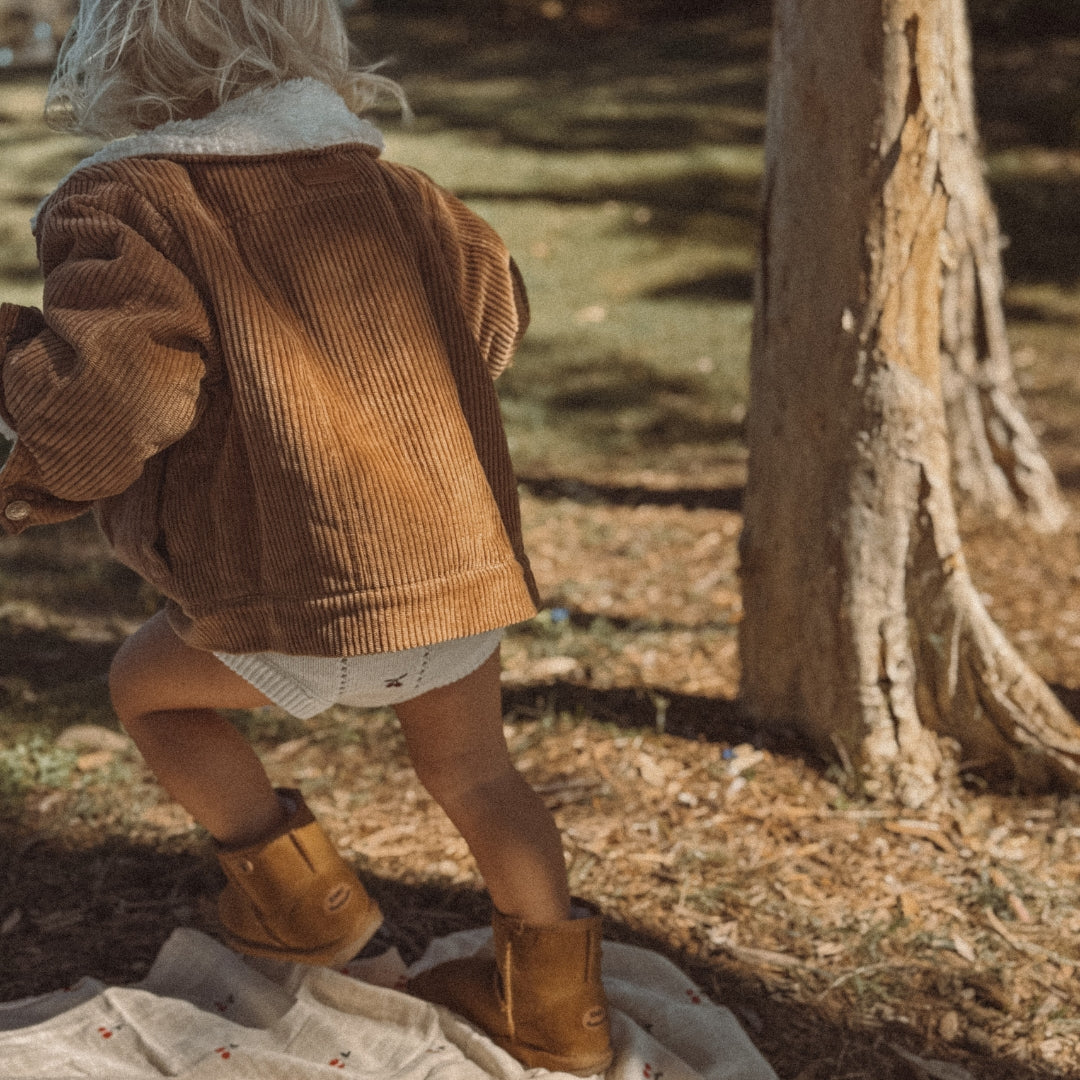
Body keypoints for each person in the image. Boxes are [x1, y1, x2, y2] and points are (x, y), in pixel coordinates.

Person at [0, 1, 611, 1074]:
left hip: (303, 604)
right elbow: (495, 313)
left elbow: (113, 406)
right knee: (479, 778)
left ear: (113, 66)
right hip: (457, 583)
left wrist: (26, 462)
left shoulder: (130, 200)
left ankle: (323, 924)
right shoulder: (397, 189)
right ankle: (558, 1013)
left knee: (146, 689)